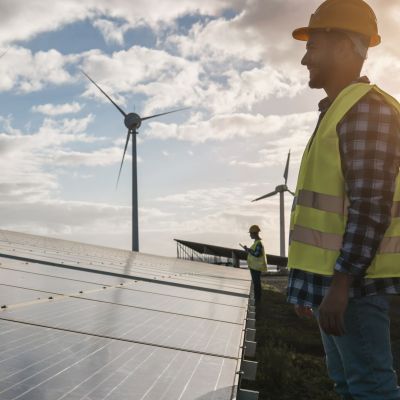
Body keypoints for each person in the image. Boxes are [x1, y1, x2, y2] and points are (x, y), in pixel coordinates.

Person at [286, 0, 400, 399]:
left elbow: (371, 207)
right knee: (348, 385)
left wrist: (340, 285)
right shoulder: (338, 111)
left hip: (354, 287)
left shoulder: (367, 110)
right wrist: (309, 288)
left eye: (312, 46)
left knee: (370, 387)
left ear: (344, 46)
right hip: (334, 284)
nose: (304, 59)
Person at [243, 224, 267, 302]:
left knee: (257, 284)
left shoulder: (258, 243)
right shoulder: (256, 243)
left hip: (256, 267)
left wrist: (249, 250)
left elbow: (257, 254)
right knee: (256, 283)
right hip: (254, 267)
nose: (250, 235)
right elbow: (254, 253)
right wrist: (248, 250)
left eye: (250, 233)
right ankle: (257, 299)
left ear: (254, 233)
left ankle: (257, 300)